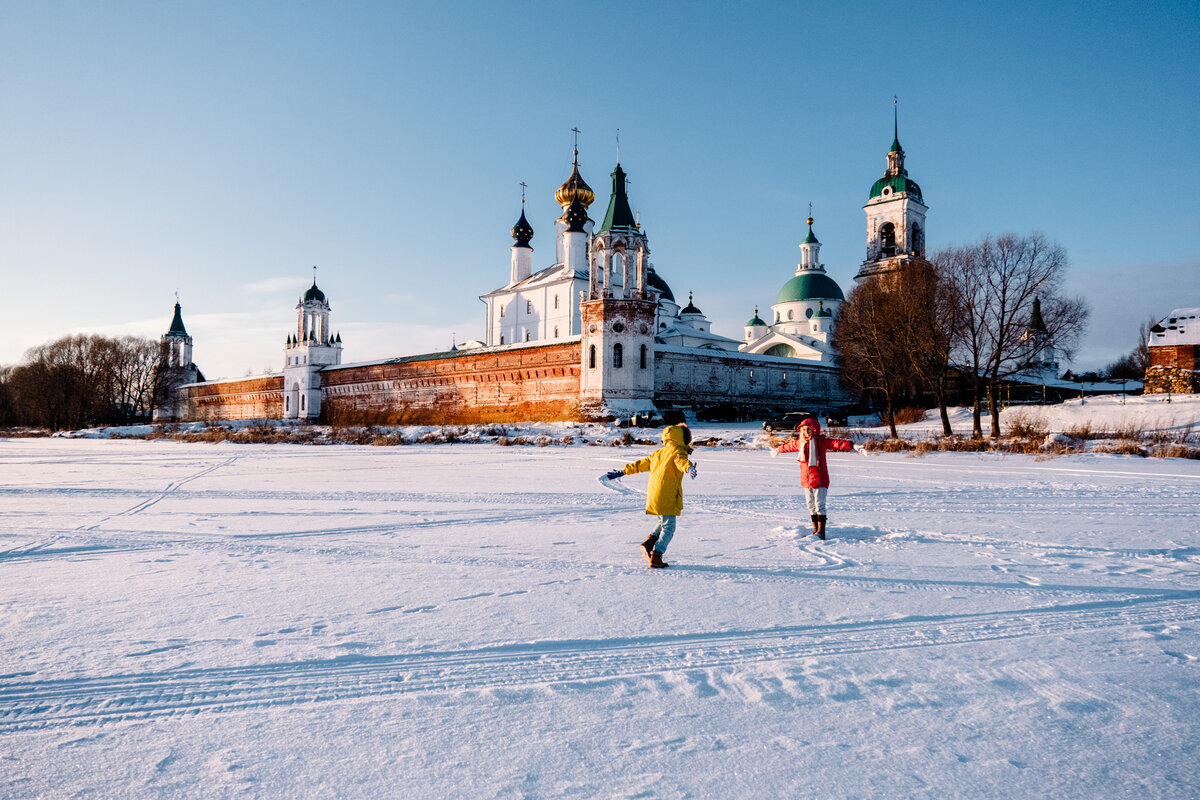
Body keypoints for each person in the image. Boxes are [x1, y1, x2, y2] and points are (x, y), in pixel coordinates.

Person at [604, 410, 696, 568]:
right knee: (669, 526)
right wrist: (689, 468)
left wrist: (622, 471)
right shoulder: (678, 452)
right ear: (684, 439)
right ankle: (657, 556)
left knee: (662, 521)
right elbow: (681, 462)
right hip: (666, 494)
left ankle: (648, 544)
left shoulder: (658, 453)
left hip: (654, 493)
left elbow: (640, 464)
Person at [771, 417, 853, 540]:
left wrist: (852, 446)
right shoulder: (801, 442)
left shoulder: (820, 441)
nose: (806, 432)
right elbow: (789, 446)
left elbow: (835, 443)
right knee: (811, 506)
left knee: (819, 505)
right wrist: (777, 449)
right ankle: (815, 530)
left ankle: (821, 532)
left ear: (814, 430)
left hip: (820, 479)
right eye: (803, 429)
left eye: (808, 429)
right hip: (806, 480)